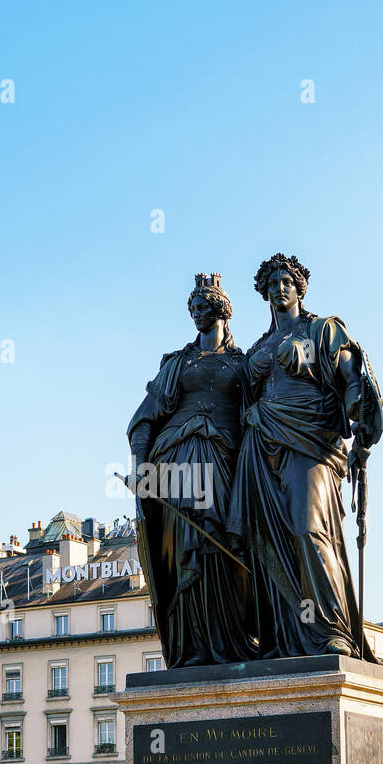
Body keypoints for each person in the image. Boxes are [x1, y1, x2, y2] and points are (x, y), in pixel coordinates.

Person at [227, 252, 382, 659]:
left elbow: (350, 379)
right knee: (267, 543)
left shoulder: (321, 330)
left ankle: (331, 629)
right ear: (264, 292)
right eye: (273, 283)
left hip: (309, 438)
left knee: (307, 529)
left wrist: (360, 420)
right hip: (260, 444)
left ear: (299, 288)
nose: (280, 288)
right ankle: (284, 636)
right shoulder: (257, 348)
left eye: (287, 282)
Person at [127, 273, 256, 667]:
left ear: (222, 310)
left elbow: (259, 415)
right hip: (176, 462)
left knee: (218, 545)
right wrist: (140, 474)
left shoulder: (245, 363)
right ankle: (190, 647)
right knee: (185, 544)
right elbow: (144, 419)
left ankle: (228, 640)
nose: (198, 313)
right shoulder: (177, 362)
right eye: (193, 308)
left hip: (225, 460)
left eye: (204, 307)